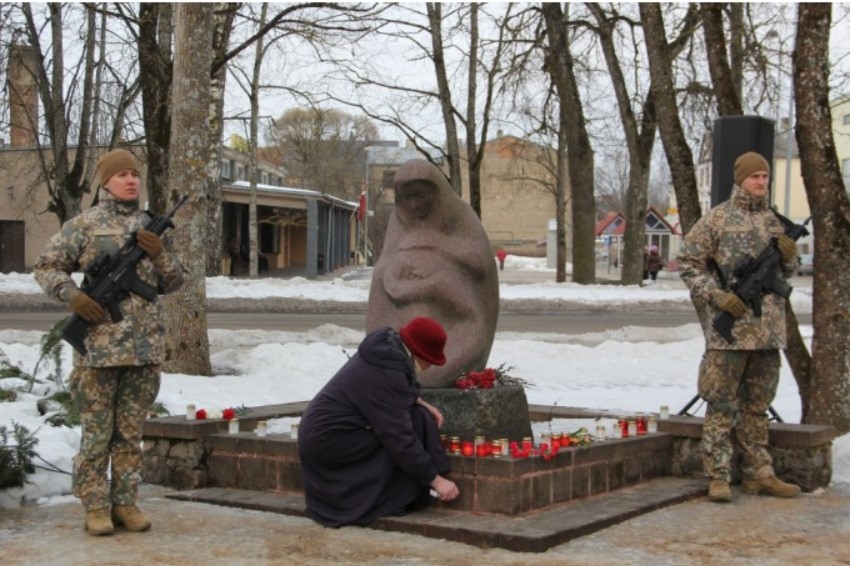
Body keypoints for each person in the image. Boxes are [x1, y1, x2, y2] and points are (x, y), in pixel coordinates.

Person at [33, 149, 185, 535]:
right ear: (106, 182)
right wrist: (73, 297)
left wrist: (160, 254)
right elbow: (46, 266)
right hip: (98, 350)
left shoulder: (152, 227)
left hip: (144, 350)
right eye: (122, 175)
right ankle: (96, 507)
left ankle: (126, 504)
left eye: (135, 174)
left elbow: (175, 283)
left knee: (130, 435)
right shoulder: (84, 225)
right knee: (97, 435)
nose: (131, 180)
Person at [677, 151, 801, 503]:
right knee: (722, 405)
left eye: (765, 176)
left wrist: (790, 255)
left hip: (766, 332)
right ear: (740, 179)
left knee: (757, 407)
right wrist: (716, 296)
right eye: (754, 177)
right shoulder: (716, 219)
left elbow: (787, 275)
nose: (761, 182)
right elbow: (688, 264)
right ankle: (717, 475)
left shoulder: (776, 222)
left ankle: (759, 474)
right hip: (729, 334)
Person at [298, 316, 460, 527]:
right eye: (430, 360)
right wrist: (435, 480)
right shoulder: (388, 370)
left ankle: (406, 493)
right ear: (418, 353)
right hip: (328, 441)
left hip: (325, 431)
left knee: (418, 415)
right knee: (394, 440)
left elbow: (384, 394)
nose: (429, 367)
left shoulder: (387, 353)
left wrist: (419, 401)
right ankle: (390, 500)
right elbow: (399, 438)